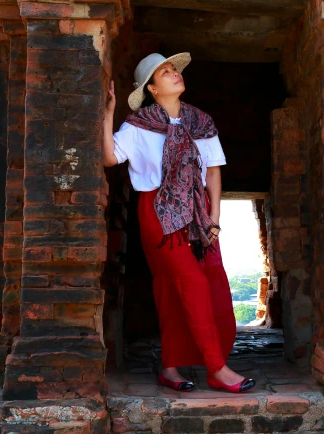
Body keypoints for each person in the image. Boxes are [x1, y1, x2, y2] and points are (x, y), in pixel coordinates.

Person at [102, 52, 255, 393]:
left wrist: (215, 220)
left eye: (174, 69)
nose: (174, 74)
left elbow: (213, 171)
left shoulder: (201, 122)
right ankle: (217, 369)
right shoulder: (137, 126)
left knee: (208, 284)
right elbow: (110, 157)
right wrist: (109, 115)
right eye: (165, 72)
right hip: (158, 211)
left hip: (198, 215)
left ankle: (170, 368)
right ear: (152, 89)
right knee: (189, 283)